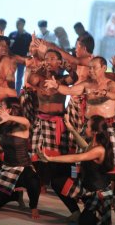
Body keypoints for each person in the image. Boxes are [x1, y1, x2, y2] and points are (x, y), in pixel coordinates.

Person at [39, 115, 114, 224]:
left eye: (87, 127)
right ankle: (75, 212)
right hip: (86, 188)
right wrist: (72, 130)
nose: (85, 128)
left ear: (95, 132)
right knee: (57, 182)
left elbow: (77, 157)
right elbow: (84, 146)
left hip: (98, 195)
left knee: (85, 222)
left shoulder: (99, 149)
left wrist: (50, 158)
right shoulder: (93, 145)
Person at [0, 97, 40, 219]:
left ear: (9, 110)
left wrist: (10, 118)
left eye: (2, 106)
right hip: (8, 169)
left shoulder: (22, 126)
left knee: (33, 181)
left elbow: (26, 121)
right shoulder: (1, 127)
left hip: (24, 167)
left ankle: (33, 207)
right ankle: (14, 195)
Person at [28, 49, 78, 193]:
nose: (49, 61)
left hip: (57, 120)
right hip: (41, 118)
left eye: (52, 59)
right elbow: (30, 80)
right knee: (38, 152)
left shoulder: (62, 81)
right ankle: (41, 182)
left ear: (59, 62)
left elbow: (73, 78)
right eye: (46, 58)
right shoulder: (39, 78)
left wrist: (69, 69)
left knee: (57, 154)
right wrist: (36, 70)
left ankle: (57, 182)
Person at [8, 18, 32, 95]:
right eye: (17, 23)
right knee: (10, 76)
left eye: (20, 24)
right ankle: (10, 92)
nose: (18, 25)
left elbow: (30, 49)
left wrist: (28, 58)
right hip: (12, 59)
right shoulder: (12, 34)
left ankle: (17, 94)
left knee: (19, 78)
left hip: (22, 60)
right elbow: (7, 46)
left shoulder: (28, 36)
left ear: (23, 24)